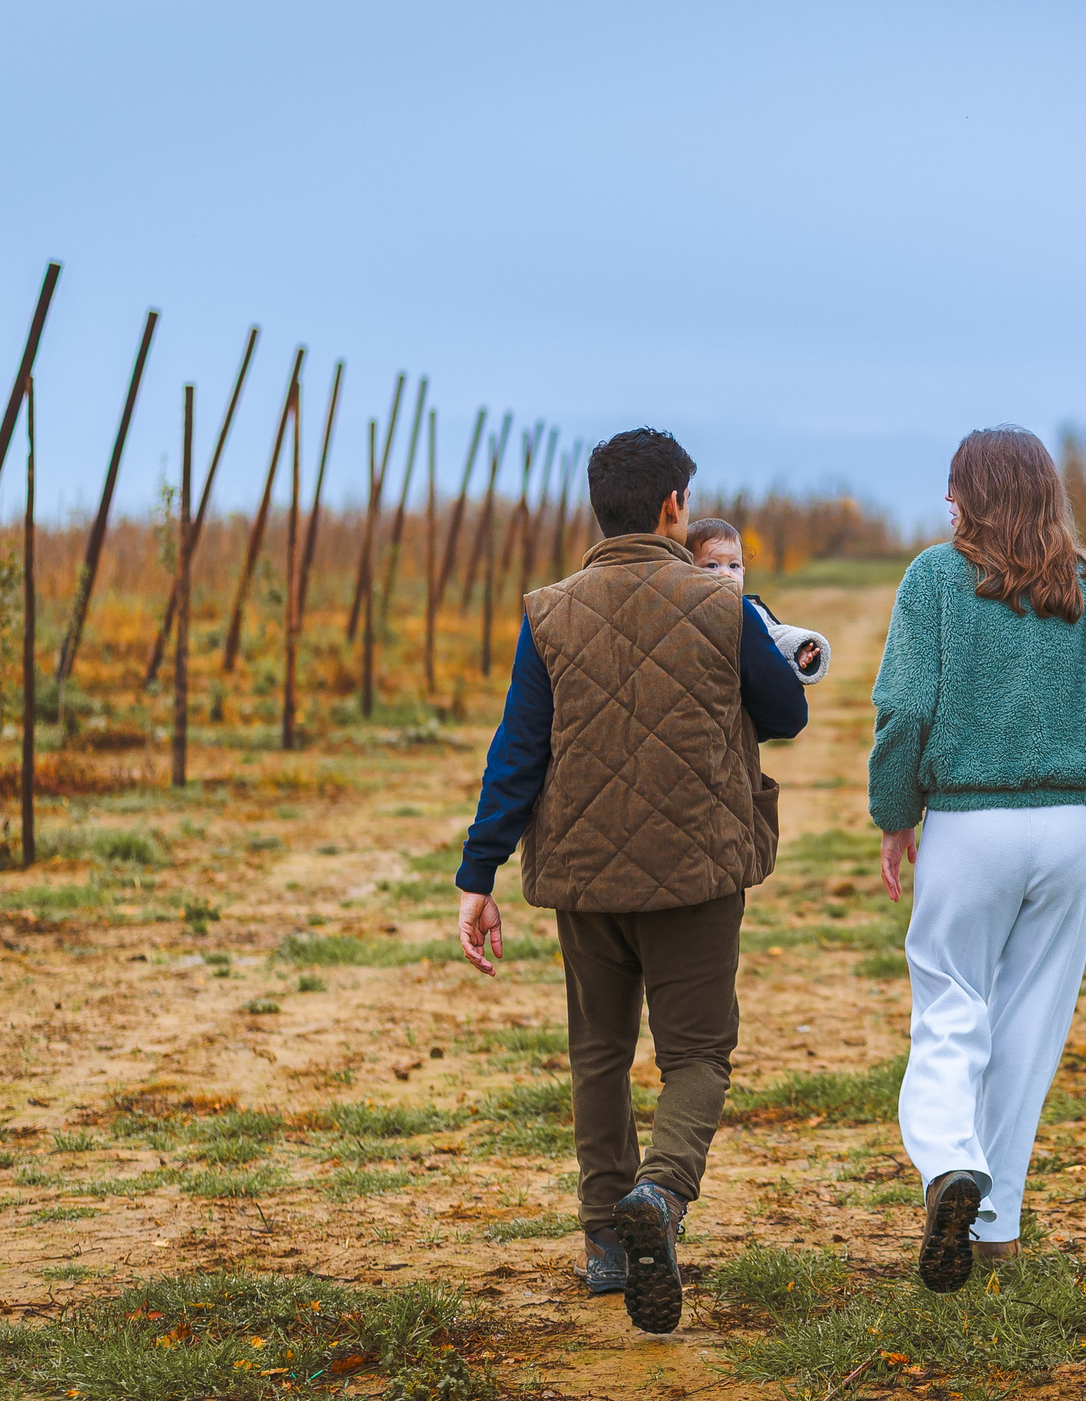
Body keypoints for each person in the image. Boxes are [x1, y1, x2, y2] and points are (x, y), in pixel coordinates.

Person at [455, 428, 807, 1335]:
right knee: (697, 1054)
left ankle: (607, 1242)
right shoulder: (720, 607)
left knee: (599, 1054)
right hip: (696, 875)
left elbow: (517, 750)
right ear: (672, 509)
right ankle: (660, 1191)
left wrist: (478, 871)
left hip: (584, 879)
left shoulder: (549, 610)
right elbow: (788, 711)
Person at [868, 425, 1086, 1293]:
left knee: (950, 1002)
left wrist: (896, 815)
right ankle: (994, 1225)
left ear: (972, 496)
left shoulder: (933, 578)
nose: (947, 503)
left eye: (954, 488)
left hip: (969, 825)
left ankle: (949, 1165)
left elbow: (903, 711)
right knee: (1030, 1025)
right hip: (1071, 826)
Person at [687, 517, 829, 683]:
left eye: (734, 566)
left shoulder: (751, 613)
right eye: (712, 565)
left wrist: (799, 650)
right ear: (688, 570)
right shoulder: (684, 610)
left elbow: (777, 636)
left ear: (743, 570)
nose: (726, 574)